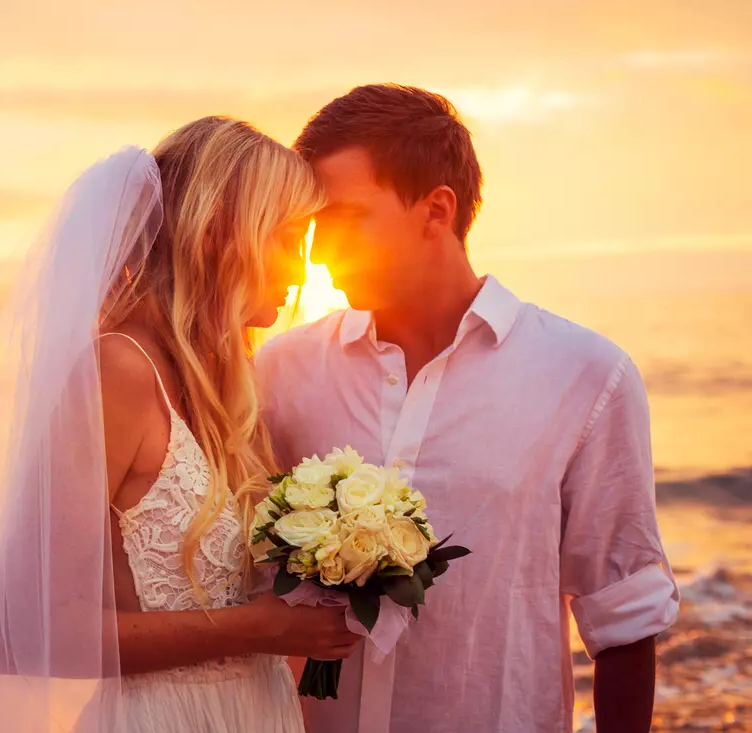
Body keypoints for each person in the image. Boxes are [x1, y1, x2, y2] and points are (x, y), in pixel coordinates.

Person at [256, 84, 680, 733]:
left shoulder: (587, 375)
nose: (317, 251)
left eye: (344, 219)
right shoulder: (281, 372)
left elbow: (621, 615)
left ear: (436, 209)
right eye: (312, 225)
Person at [0, 117, 361, 733]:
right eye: (284, 240)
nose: (299, 273)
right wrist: (261, 627)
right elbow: (18, 634)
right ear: (221, 231)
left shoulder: (229, 383)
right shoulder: (117, 372)